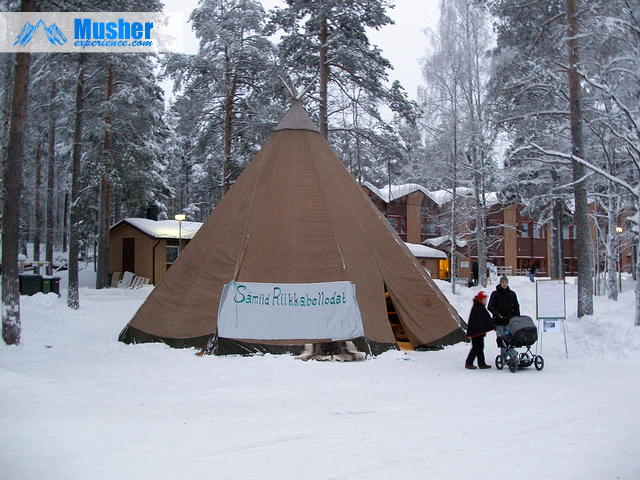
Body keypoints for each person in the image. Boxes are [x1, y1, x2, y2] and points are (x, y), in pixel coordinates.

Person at [488, 275, 520, 360]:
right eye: (503, 282)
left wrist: (517, 317)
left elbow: (516, 306)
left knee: (509, 340)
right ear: (500, 283)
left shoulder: (512, 294)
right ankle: (509, 355)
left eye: (506, 282)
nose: (504, 284)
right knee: (502, 340)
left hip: (509, 321)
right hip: (499, 321)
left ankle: (505, 357)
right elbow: (490, 306)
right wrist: (496, 313)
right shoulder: (495, 294)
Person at [465, 291, 495, 369]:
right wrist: (492, 326)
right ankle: (469, 362)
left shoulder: (479, 306)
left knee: (480, 346)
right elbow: (486, 319)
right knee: (476, 347)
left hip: (478, 331)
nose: (486, 301)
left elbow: (486, 319)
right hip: (475, 332)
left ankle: (481, 363)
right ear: (481, 299)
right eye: (485, 299)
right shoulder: (478, 308)